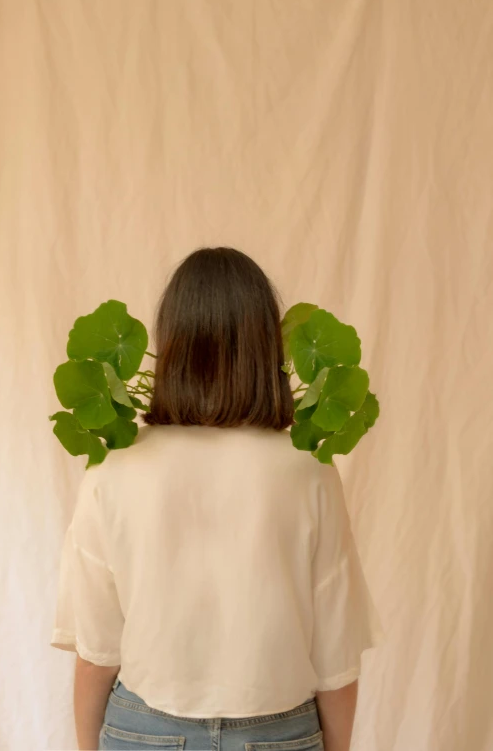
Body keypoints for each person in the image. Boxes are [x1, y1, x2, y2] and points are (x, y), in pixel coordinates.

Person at [50, 246, 384, 751]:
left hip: (142, 731)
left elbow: (97, 653)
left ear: (172, 342)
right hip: (279, 733)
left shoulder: (114, 468)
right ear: (265, 346)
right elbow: (335, 662)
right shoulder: (309, 470)